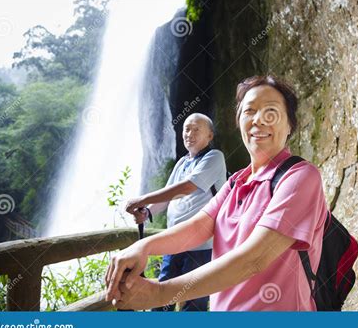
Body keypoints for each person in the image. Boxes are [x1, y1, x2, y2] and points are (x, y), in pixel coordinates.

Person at [106, 76, 328, 311]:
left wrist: (161, 293)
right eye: (249, 111)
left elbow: (254, 259)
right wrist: (144, 247)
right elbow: (198, 227)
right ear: (238, 121)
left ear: (290, 125)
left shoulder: (301, 177)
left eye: (271, 111)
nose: (259, 120)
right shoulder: (235, 182)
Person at [124, 112, 226, 311]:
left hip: (201, 247)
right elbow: (168, 197)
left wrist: (143, 199)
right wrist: (147, 212)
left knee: (193, 303)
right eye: (186, 129)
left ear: (210, 136)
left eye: (197, 129)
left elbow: (188, 186)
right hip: (173, 244)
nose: (190, 133)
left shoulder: (215, 157)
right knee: (160, 299)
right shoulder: (182, 163)